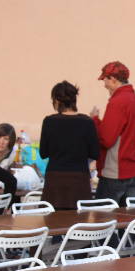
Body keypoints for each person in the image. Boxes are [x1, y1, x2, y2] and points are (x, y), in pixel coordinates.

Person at [91, 61, 135, 206]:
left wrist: (95, 120)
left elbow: (106, 139)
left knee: (103, 222)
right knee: (128, 222)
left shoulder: (117, 102)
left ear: (113, 79)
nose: (104, 84)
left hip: (115, 172)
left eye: (104, 80)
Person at [39, 81, 100, 210]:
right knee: (78, 225)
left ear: (56, 101)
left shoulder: (49, 121)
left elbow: (43, 153)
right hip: (79, 179)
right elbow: (95, 153)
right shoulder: (87, 122)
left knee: (53, 222)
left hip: (55, 178)